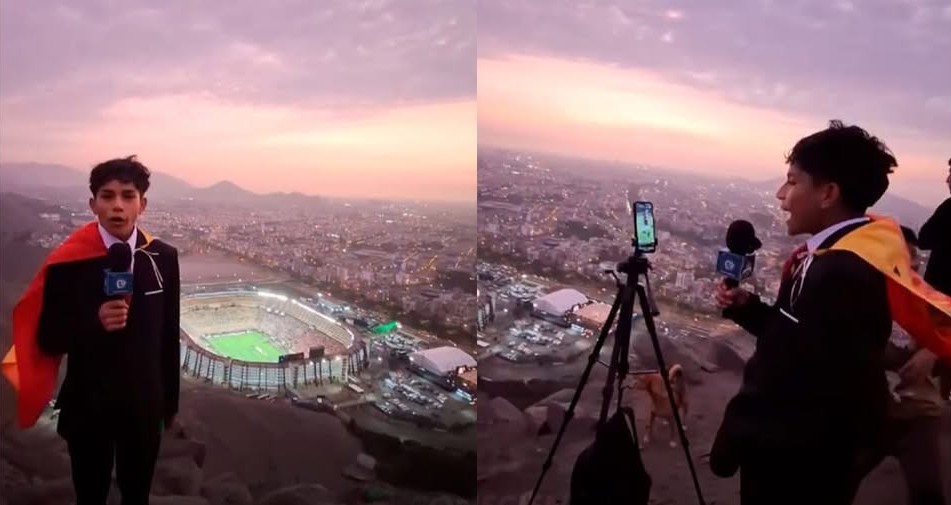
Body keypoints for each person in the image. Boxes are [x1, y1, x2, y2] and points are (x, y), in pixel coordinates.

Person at [710, 120, 896, 505]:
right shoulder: (847, 254)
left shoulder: (840, 271)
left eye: (792, 182)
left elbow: (784, 376)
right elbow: (801, 340)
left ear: (828, 193)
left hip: (796, 463)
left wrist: (733, 436)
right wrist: (750, 310)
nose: (781, 195)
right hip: (816, 454)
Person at [1, 156, 181, 505]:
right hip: (88, 407)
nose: (117, 205)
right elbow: (48, 338)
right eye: (107, 195)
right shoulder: (68, 263)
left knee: (137, 494)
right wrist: (92, 321)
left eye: (128, 196)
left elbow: (167, 334)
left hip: (143, 406)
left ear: (142, 204)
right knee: (90, 495)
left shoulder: (162, 258)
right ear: (92, 204)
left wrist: (168, 403)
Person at [849, 226, 946, 505]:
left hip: (917, 413)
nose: (914, 264)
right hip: (869, 411)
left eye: (916, 257)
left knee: (927, 494)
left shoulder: (925, 299)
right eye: (907, 255)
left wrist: (932, 351)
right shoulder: (856, 297)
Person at [918, 159, 951, 401]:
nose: (947, 180)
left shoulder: (950, 208)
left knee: (932, 350)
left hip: (940, 295)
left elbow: (924, 238)